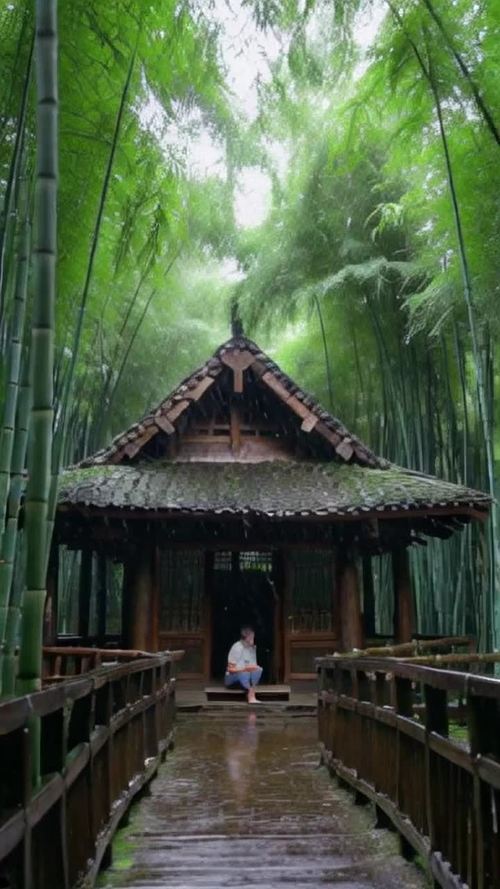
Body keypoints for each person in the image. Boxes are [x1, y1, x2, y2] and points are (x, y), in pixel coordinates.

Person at [225, 626, 262, 703]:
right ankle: (251, 697)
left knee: (258, 670)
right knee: (244, 673)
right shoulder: (237, 647)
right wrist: (244, 669)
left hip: (247, 678)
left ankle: (251, 693)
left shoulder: (252, 648)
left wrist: (254, 668)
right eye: (252, 637)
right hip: (232, 678)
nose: (253, 639)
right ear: (247, 637)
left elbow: (252, 667)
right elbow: (230, 669)